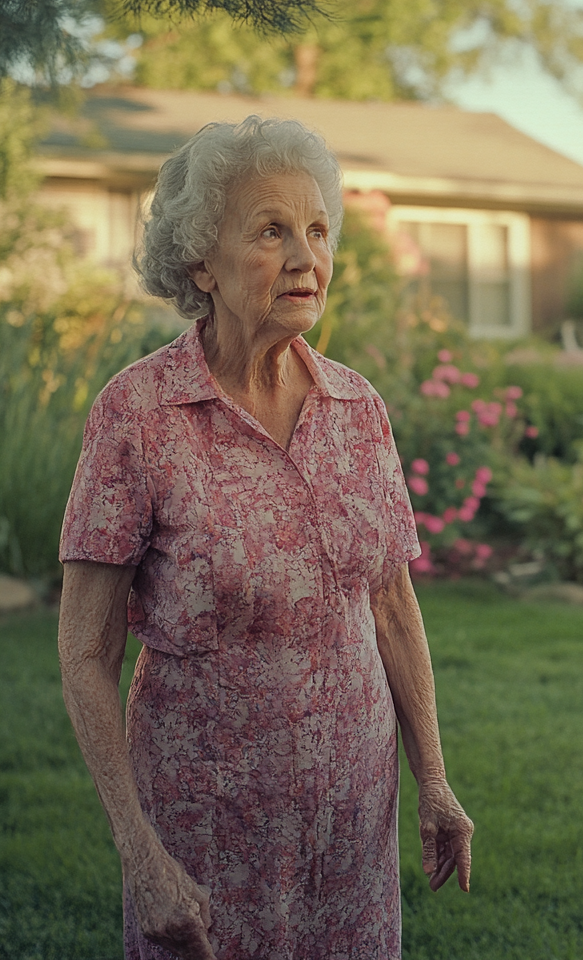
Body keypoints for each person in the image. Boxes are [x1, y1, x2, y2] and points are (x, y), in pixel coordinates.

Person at [57, 115, 473, 960]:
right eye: (272, 230)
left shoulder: (357, 409)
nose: (305, 258)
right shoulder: (138, 413)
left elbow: (391, 606)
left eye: (317, 231)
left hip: (352, 825)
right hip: (204, 830)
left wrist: (432, 779)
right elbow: (85, 646)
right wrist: (139, 850)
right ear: (200, 261)